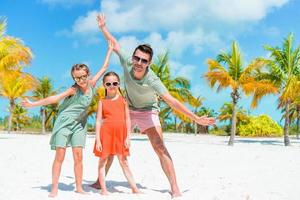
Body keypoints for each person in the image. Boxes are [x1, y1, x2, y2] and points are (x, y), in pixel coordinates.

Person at [94, 13, 216, 198]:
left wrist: (195, 118)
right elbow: (115, 43)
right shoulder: (128, 62)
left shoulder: (153, 79)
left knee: (159, 146)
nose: (139, 63)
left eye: (144, 60)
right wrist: (103, 28)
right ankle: (99, 181)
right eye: (137, 58)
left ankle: (174, 187)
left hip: (148, 112)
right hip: (128, 109)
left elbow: (171, 100)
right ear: (133, 57)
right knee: (113, 143)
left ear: (149, 63)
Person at [21, 41, 114, 197]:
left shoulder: (91, 84)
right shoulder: (73, 90)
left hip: (79, 125)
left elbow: (104, 67)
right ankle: (54, 188)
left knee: (78, 155)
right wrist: (33, 104)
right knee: (60, 155)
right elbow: (54, 98)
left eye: (84, 76)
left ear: (88, 74)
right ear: (73, 78)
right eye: (78, 78)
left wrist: (110, 49)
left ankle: (79, 187)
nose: (82, 80)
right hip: (64, 123)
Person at [93, 71, 140, 195]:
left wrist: (128, 137)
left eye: (115, 83)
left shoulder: (124, 100)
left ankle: (134, 188)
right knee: (103, 160)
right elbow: (98, 121)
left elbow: (128, 119)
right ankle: (103, 189)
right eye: (108, 84)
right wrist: (98, 139)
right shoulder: (101, 101)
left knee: (123, 161)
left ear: (119, 84)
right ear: (104, 85)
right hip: (106, 135)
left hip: (121, 135)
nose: (112, 86)